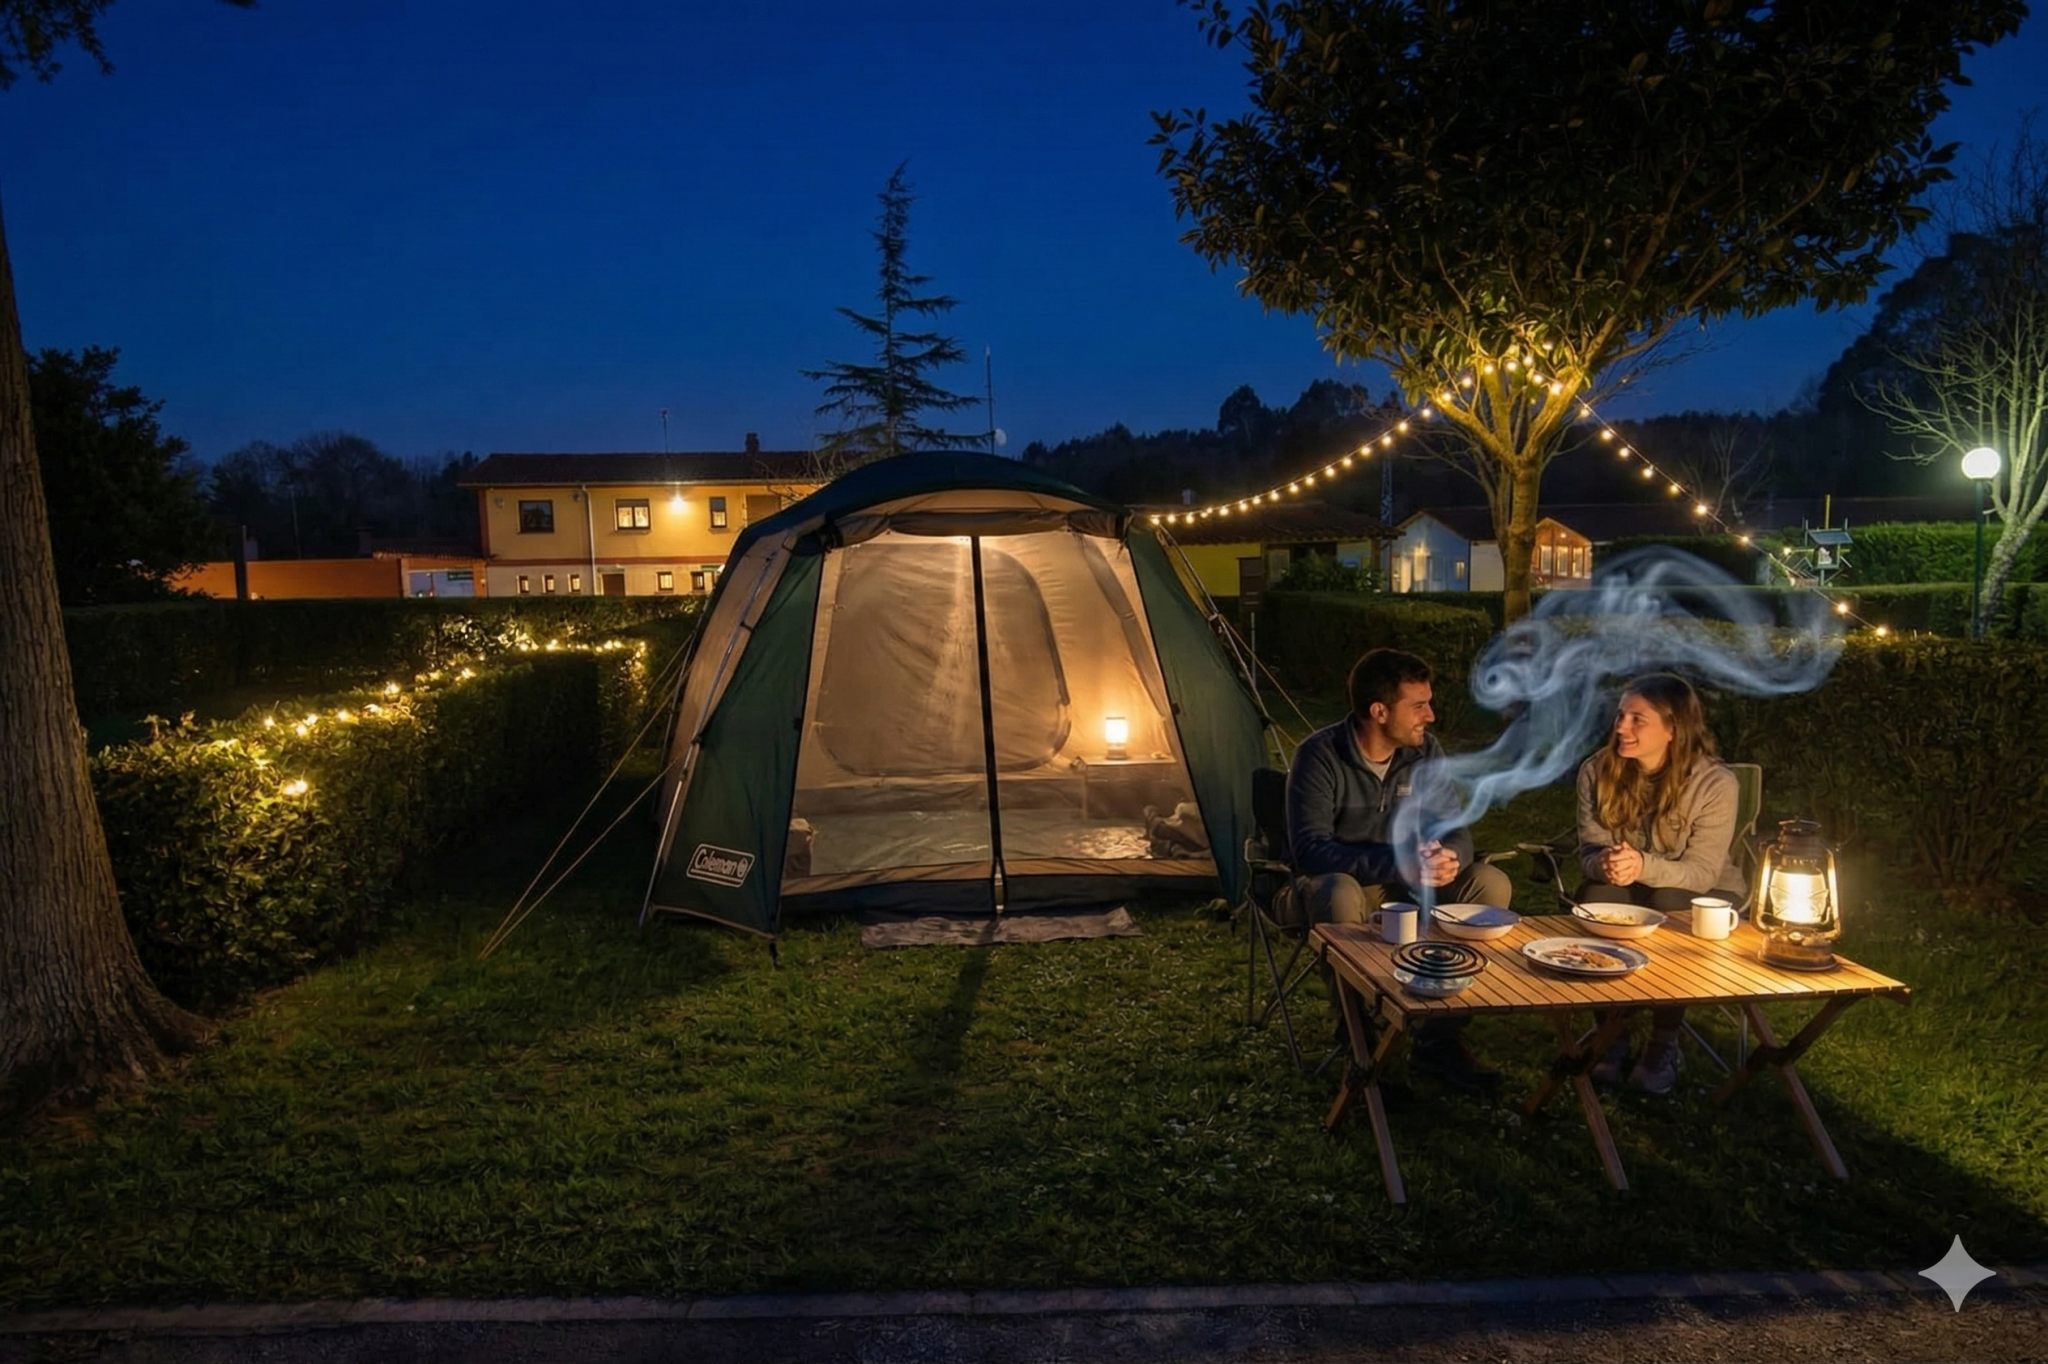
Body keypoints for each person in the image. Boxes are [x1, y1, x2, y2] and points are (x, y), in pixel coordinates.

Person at [1286, 648, 1512, 1088]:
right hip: (1344, 887)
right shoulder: (1320, 757)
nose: (1430, 716)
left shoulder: (1424, 754)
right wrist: (1400, 865)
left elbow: (1456, 829)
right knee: (1339, 893)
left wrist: (1451, 859)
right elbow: (1310, 851)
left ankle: (1440, 1040)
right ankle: (1363, 1048)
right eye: (1419, 706)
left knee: (1489, 882)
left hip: (1411, 887)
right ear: (1379, 711)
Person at [1575, 673, 1747, 1095]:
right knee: (1596, 898)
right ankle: (1612, 1032)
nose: (1621, 728)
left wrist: (1641, 866)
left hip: (1705, 892)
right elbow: (1588, 854)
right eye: (1620, 716)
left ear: (1673, 730)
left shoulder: (1714, 784)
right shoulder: (1597, 771)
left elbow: (1702, 873)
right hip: (1630, 886)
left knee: (1673, 902)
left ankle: (1663, 1042)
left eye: (1637, 719)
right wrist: (1607, 866)